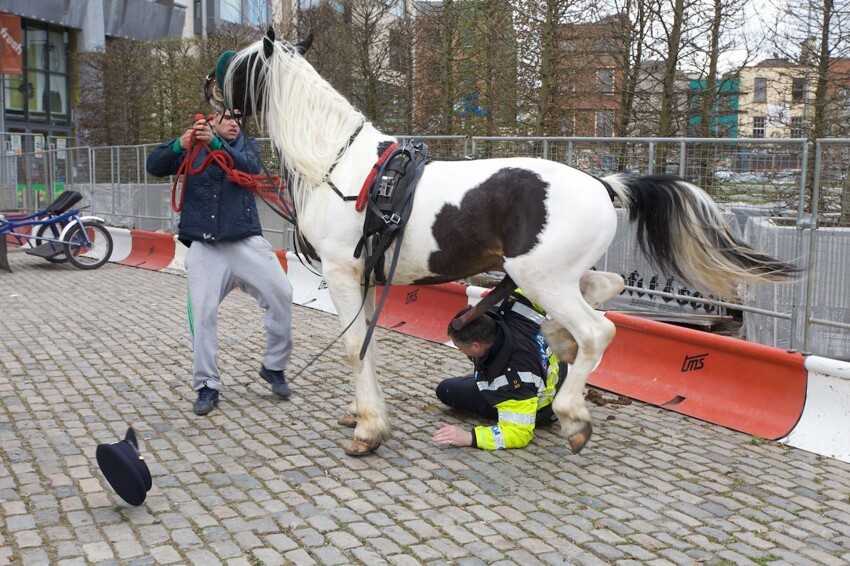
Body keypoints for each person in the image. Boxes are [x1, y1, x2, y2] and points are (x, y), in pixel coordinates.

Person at [146, 110, 293, 416]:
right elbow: (153, 166)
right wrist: (178, 145)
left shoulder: (246, 146)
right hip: (204, 246)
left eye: (237, 118)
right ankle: (206, 386)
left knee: (282, 294)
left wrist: (216, 144)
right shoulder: (191, 147)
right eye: (227, 117)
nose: (233, 122)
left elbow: (252, 167)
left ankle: (274, 366)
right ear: (211, 119)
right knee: (202, 316)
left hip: (245, 241)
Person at [432, 291, 565, 450]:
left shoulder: (513, 379)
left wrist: (469, 437)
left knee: (447, 390)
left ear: (476, 346)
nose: (461, 351)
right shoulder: (513, 305)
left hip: (540, 404)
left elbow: (518, 432)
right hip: (558, 370)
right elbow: (532, 285)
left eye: (461, 348)